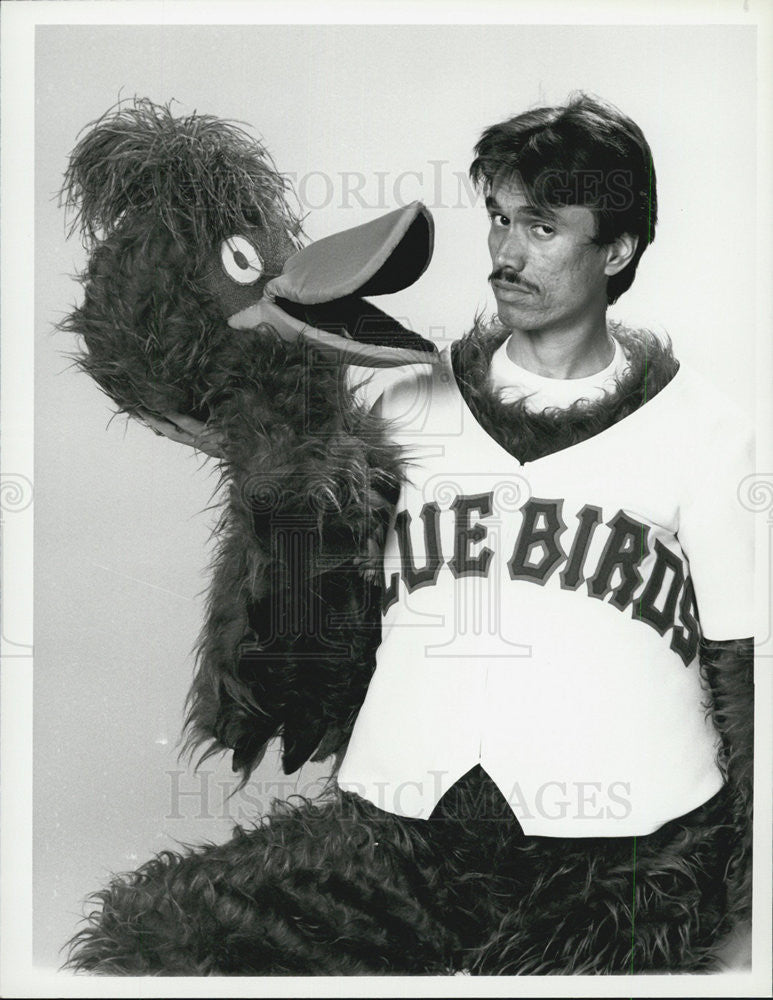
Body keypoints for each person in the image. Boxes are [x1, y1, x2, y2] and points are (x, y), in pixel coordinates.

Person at [87, 93, 755, 974]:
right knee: (153, 941)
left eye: (544, 228)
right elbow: (307, 652)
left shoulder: (709, 435)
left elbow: (748, 680)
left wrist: (753, 895)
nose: (507, 252)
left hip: (617, 860)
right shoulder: (404, 406)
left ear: (619, 249)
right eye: (499, 219)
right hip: (396, 842)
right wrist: (273, 484)